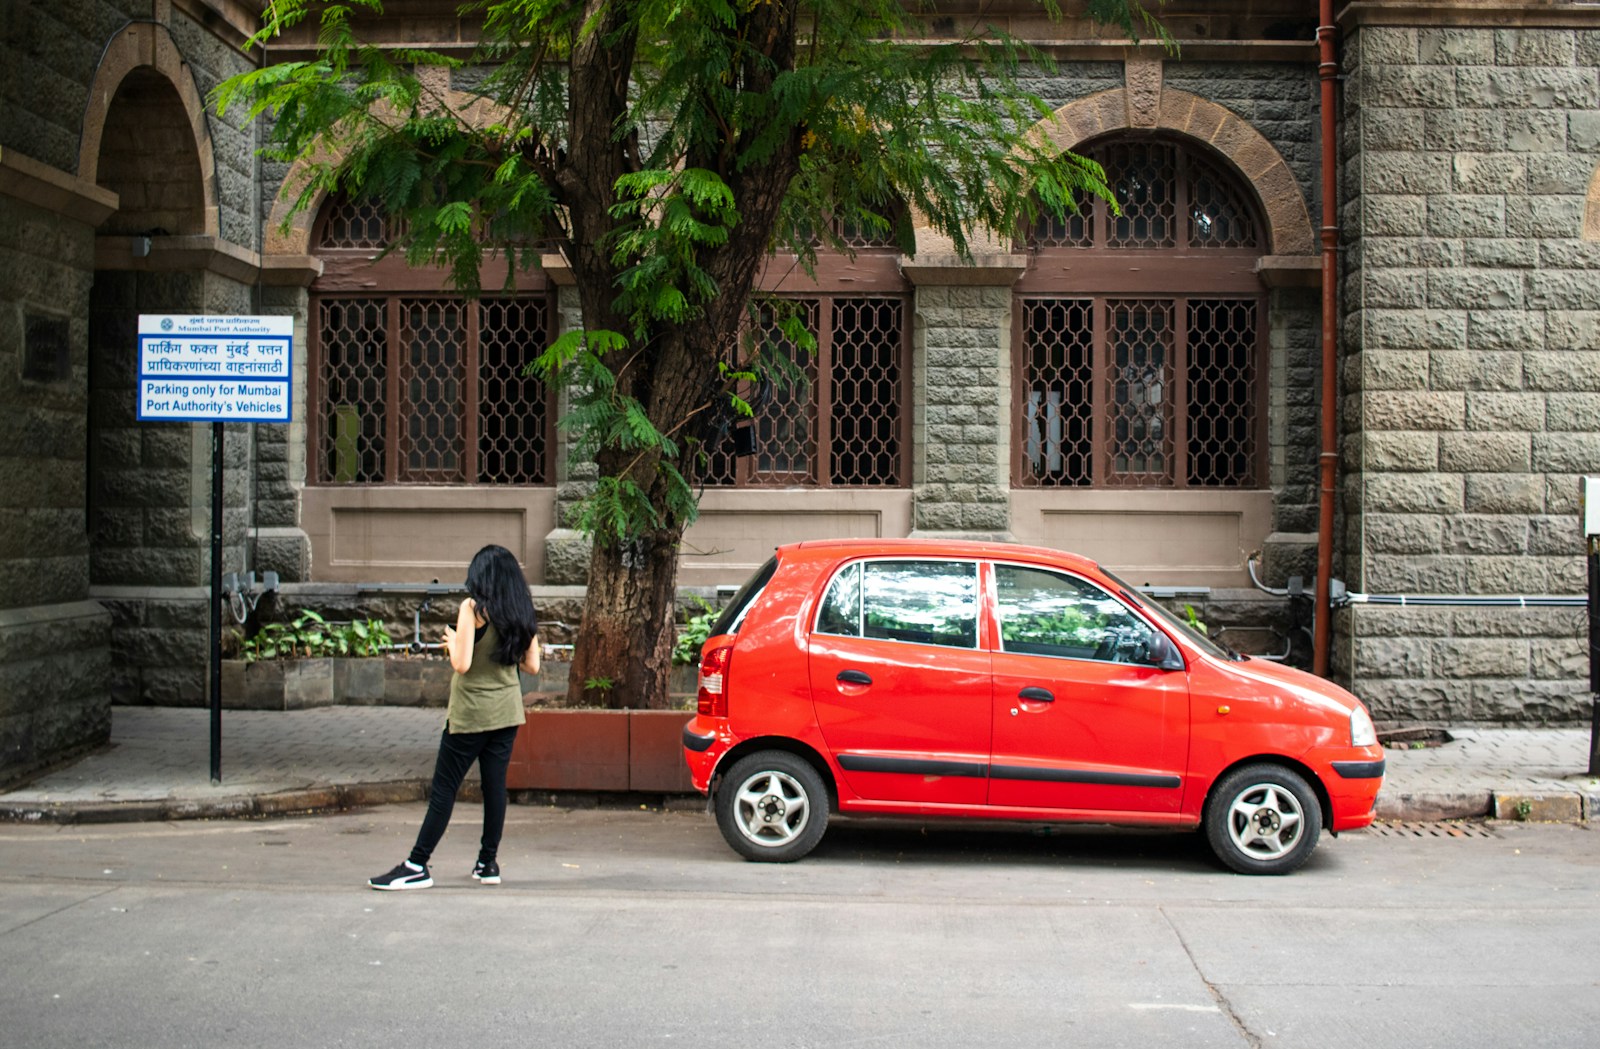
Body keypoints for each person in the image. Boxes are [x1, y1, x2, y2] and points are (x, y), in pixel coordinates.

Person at [368, 544, 540, 890]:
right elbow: (532, 666)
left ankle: (417, 864)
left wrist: (452, 643)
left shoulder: (472, 609)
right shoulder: (521, 609)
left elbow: (462, 665)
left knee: (445, 789)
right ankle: (487, 863)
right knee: (495, 789)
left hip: (470, 715)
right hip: (506, 714)